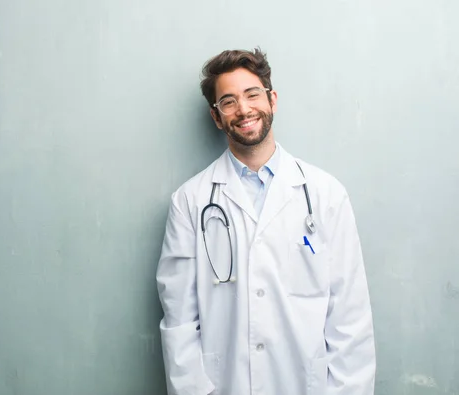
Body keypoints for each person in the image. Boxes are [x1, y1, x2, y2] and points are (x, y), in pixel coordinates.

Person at [156, 48, 376, 395]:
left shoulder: (325, 195)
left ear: (272, 99)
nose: (243, 109)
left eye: (252, 94)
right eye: (227, 101)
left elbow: (350, 317)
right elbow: (180, 323)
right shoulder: (190, 202)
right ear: (216, 117)